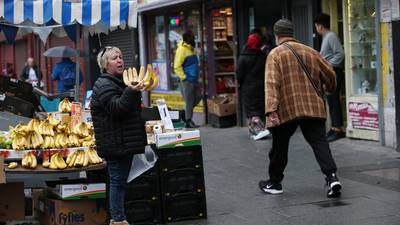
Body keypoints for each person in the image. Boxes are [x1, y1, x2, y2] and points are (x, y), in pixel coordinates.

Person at [259, 19, 342, 198]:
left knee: (279, 147)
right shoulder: (310, 51)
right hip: (313, 106)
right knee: (320, 143)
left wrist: (271, 110)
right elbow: (330, 74)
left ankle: (274, 182)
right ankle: (332, 177)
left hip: (287, 109)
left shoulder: (275, 54)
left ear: (277, 35)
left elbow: (272, 83)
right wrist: (330, 88)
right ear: (292, 33)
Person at [90, 46, 147, 225]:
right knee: (117, 182)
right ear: (105, 64)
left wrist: (132, 90)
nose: (120, 60)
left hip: (122, 141)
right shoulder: (104, 84)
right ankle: (118, 219)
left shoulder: (117, 81)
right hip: (115, 143)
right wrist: (131, 91)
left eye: (121, 57)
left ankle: (118, 217)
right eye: (115, 58)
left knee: (119, 182)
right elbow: (117, 108)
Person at [314, 13, 346, 142]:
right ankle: (334, 128)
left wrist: (328, 65)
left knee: (334, 100)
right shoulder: (326, 37)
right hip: (330, 72)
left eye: (316, 26)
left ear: (320, 26)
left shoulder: (331, 36)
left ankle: (338, 129)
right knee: (331, 101)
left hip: (334, 72)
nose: (316, 28)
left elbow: (340, 54)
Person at [236, 33, 270, 140]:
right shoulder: (263, 56)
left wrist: (241, 83)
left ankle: (255, 130)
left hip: (247, 87)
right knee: (259, 108)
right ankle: (257, 129)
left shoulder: (243, 57)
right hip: (261, 86)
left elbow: (239, 74)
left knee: (251, 109)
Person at [174, 30, 202, 128]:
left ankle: (185, 113)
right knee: (189, 101)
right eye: (193, 38)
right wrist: (184, 78)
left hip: (194, 79)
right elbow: (177, 66)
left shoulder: (190, 48)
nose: (194, 39)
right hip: (187, 80)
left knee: (199, 96)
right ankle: (188, 121)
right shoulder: (181, 50)